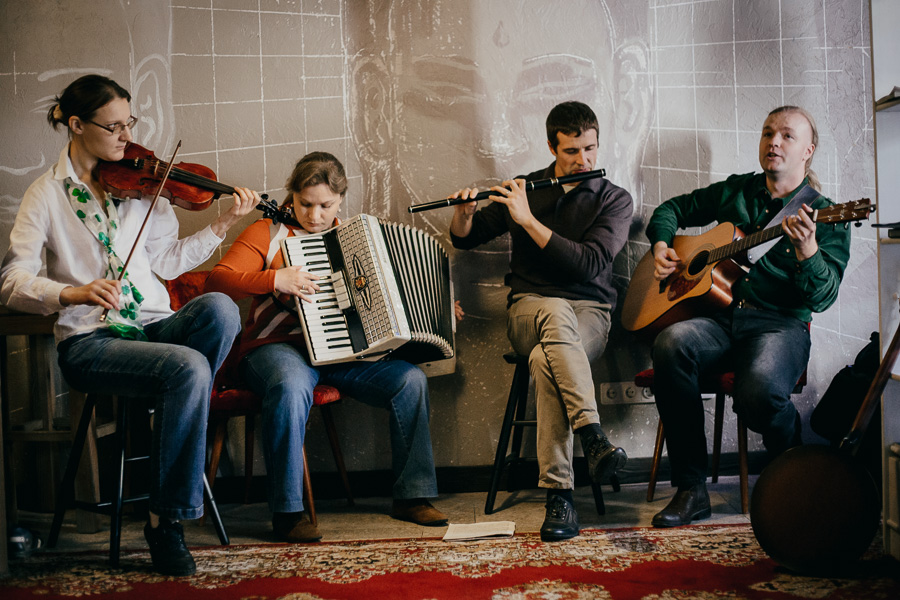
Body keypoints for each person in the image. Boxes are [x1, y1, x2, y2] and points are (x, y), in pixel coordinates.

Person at [0, 74, 261, 576]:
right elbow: (11, 280)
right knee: (186, 369)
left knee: (221, 311)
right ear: (76, 125)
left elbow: (167, 261)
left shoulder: (142, 182)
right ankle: (167, 522)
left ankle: (171, 426)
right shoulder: (46, 195)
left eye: (130, 123)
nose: (126, 137)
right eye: (113, 126)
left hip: (153, 328)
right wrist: (71, 291)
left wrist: (223, 224)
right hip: (90, 342)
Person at [204, 151, 447, 543]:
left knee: (409, 381)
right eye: (305, 204)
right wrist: (273, 279)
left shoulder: (354, 239)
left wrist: (435, 306)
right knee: (290, 385)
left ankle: (412, 496)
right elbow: (217, 281)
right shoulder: (266, 233)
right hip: (275, 349)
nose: (314, 215)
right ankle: (287, 512)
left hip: (338, 354)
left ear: (340, 200)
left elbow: (390, 298)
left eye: (325, 205)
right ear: (292, 196)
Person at [644, 106, 851, 527]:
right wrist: (662, 245)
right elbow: (671, 209)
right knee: (670, 343)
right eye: (767, 133)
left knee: (757, 395)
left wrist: (808, 250)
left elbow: (825, 296)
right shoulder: (737, 191)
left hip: (780, 325)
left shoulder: (826, 215)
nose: (773, 141)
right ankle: (690, 489)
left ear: (808, 151)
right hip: (720, 318)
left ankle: (793, 469)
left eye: (787, 136)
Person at [449, 101, 633, 542]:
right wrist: (465, 213)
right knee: (551, 310)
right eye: (572, 151)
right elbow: (467, 238)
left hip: (591, 313)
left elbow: (588, 265)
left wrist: (527, 221)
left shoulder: (615, 200)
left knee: (546, 363)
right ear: (552, 147)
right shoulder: (526, 187)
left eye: (590, 149)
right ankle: (592, 434)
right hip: (529, 308)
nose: (584, 160)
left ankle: (560, 498)